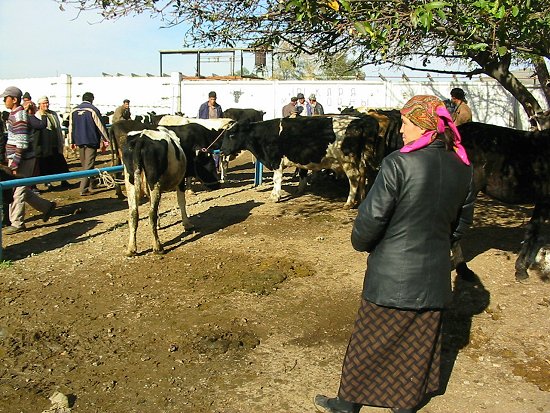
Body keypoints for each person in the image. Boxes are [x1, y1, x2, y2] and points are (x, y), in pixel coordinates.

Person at [314, 95, 475, 413]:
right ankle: (403, 405)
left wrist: (363, 243)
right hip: (434, 278)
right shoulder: (463, 168)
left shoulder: (397, 163)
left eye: (406, 123)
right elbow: (460, 227)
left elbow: (370, 221)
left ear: (425, 127)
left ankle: (346, 404)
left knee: (368, 342)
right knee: (417, 345)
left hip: (392, 276)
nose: (400, 129)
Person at [1, 86, 56, 234]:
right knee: (22, 188)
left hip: (22, 159)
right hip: (22, 158)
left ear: (14, 99)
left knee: (17, 191)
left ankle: (17, 223)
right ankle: (47, 207)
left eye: (6, 98)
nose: (4, 100)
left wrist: (15, 163)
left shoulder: (18, 116)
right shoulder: (17, 114)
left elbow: (22, 143)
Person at [68, 92, 109, 196]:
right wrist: (106, 139)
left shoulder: (74, 110)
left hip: (79, 141)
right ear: (92, 99)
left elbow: (71, 127)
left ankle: (91, 185)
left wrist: (71, 141)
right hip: (91, 140)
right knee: (89, 165)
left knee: (85, 165)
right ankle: (83, 189)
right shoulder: (93, 110)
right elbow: (100, 126)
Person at [35, 96, 71, 189]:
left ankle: (64, 180)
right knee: (46, 164)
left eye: (47, 103)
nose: (46, 105)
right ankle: (48, 182)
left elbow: (58, 128)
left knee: (60, 163)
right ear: (39, 105)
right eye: (43, 103)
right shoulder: (38, 115)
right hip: (45, 145)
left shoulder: (53, 114)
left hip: (55, 143)